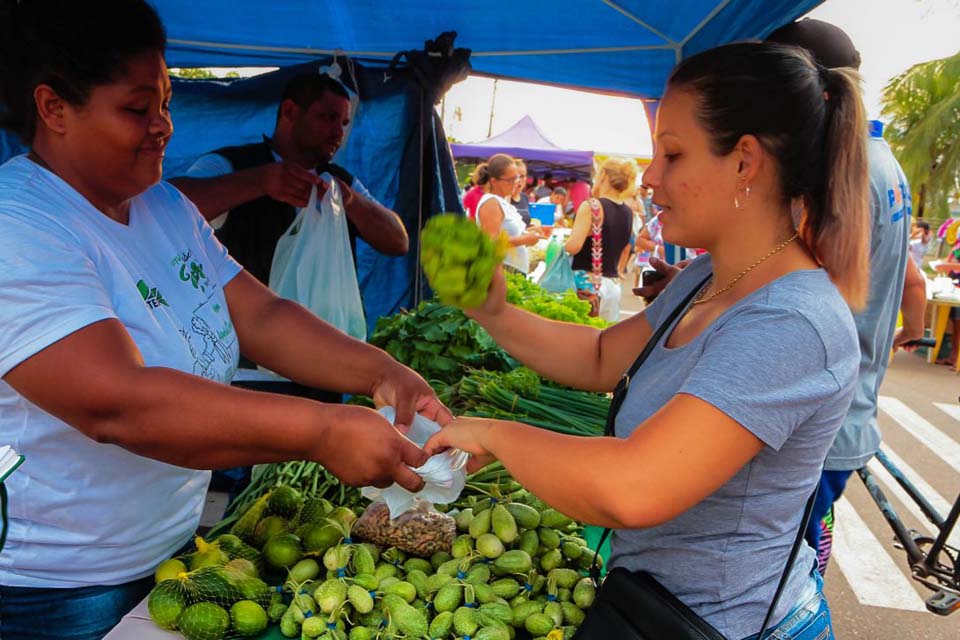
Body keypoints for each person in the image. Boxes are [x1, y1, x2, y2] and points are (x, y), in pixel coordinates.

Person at [0, 2, 449, 638]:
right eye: (137, 109)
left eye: (166, 103)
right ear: (53, 109)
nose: (162, 127)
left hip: (172, 554)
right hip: (60, 589)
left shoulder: (160, 206)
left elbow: (260, 315)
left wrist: (381, 370)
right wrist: (321, 431)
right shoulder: (19, 226)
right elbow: (116, 402)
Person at [427, 41, 872, 640]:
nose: (652, 177)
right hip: (655, 604)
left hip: (724, 628)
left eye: (673, 154)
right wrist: (494, 311)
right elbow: (602, 355)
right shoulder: (704, 278)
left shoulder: (793, 322)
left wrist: (495, 433)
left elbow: (635, 486)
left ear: (745, 162)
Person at [766, 18, 928, 574]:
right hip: (849, 406)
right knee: (806, 552)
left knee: (785, 578)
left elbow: (799, 300)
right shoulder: (884, 164)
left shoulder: (839, 173)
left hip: (814, 419)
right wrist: (900, 332)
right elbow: (911, 281)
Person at [169, 73, 408, 289]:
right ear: (290, 111)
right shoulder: (232, 163)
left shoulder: (339, 181)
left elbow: (399, 241)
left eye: (344, 123)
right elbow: (170, 206)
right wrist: (261, 181)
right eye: (328, 117)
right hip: (247, 332)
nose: (339, 133)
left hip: (328, 330)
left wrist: (351, 201)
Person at [564, 158, 637, 322]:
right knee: (602, 338)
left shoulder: (592, 206)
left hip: (588, 286)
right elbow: (625, 246)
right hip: (612, 285)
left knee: (578, 339)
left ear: (603, 175)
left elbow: (572, 247)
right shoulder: (628, 212)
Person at [475, 154, 541, 274]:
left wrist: (528, 234)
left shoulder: (502, 201)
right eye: (510, 180)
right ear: (494, 181)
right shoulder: (491, 203)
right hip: (501, 271)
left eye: (517, 177)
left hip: (510, 271)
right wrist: (524, 239)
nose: (516, 182)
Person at [510, 158, 532, 226]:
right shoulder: (504, 198)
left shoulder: (525, 197)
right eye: (516, 176)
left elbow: (526, 225)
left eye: (522, 176)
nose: (519, 180)